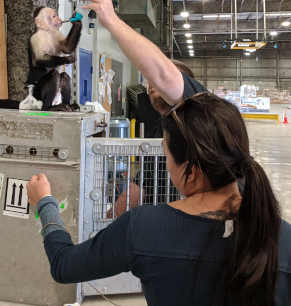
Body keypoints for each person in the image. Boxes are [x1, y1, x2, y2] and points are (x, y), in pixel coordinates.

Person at [27, 93, 291, 305]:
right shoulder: (283, 237)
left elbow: (63, 265)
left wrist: (45, 203)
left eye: (165, 155)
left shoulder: (142, 228)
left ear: (191, 171)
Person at [111, 60, 203, 217]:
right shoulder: (160, 129)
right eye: (151, 79)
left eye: (161, 78)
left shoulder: (198, 130)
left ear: (182, 86)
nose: (151, 84)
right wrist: (109, 217)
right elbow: (141, 184)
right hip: (161, 219)